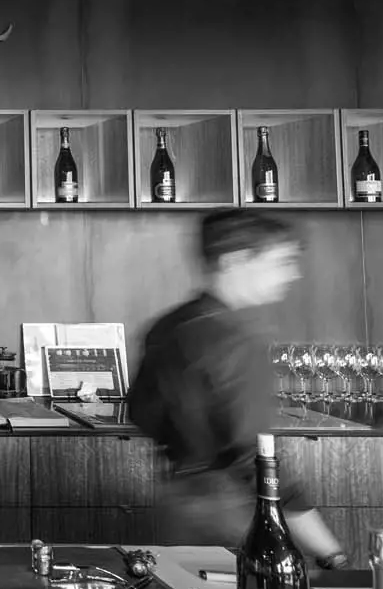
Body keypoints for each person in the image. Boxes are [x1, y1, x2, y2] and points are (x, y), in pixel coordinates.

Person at [127, 208, 348, 567]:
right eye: (281, 261)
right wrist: (328, 550)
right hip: (235, 511)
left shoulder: (168, 326)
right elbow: (256, 458)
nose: (293, 273)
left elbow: (140, 412)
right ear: (235, 261)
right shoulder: (237, 339)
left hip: (178, 503)